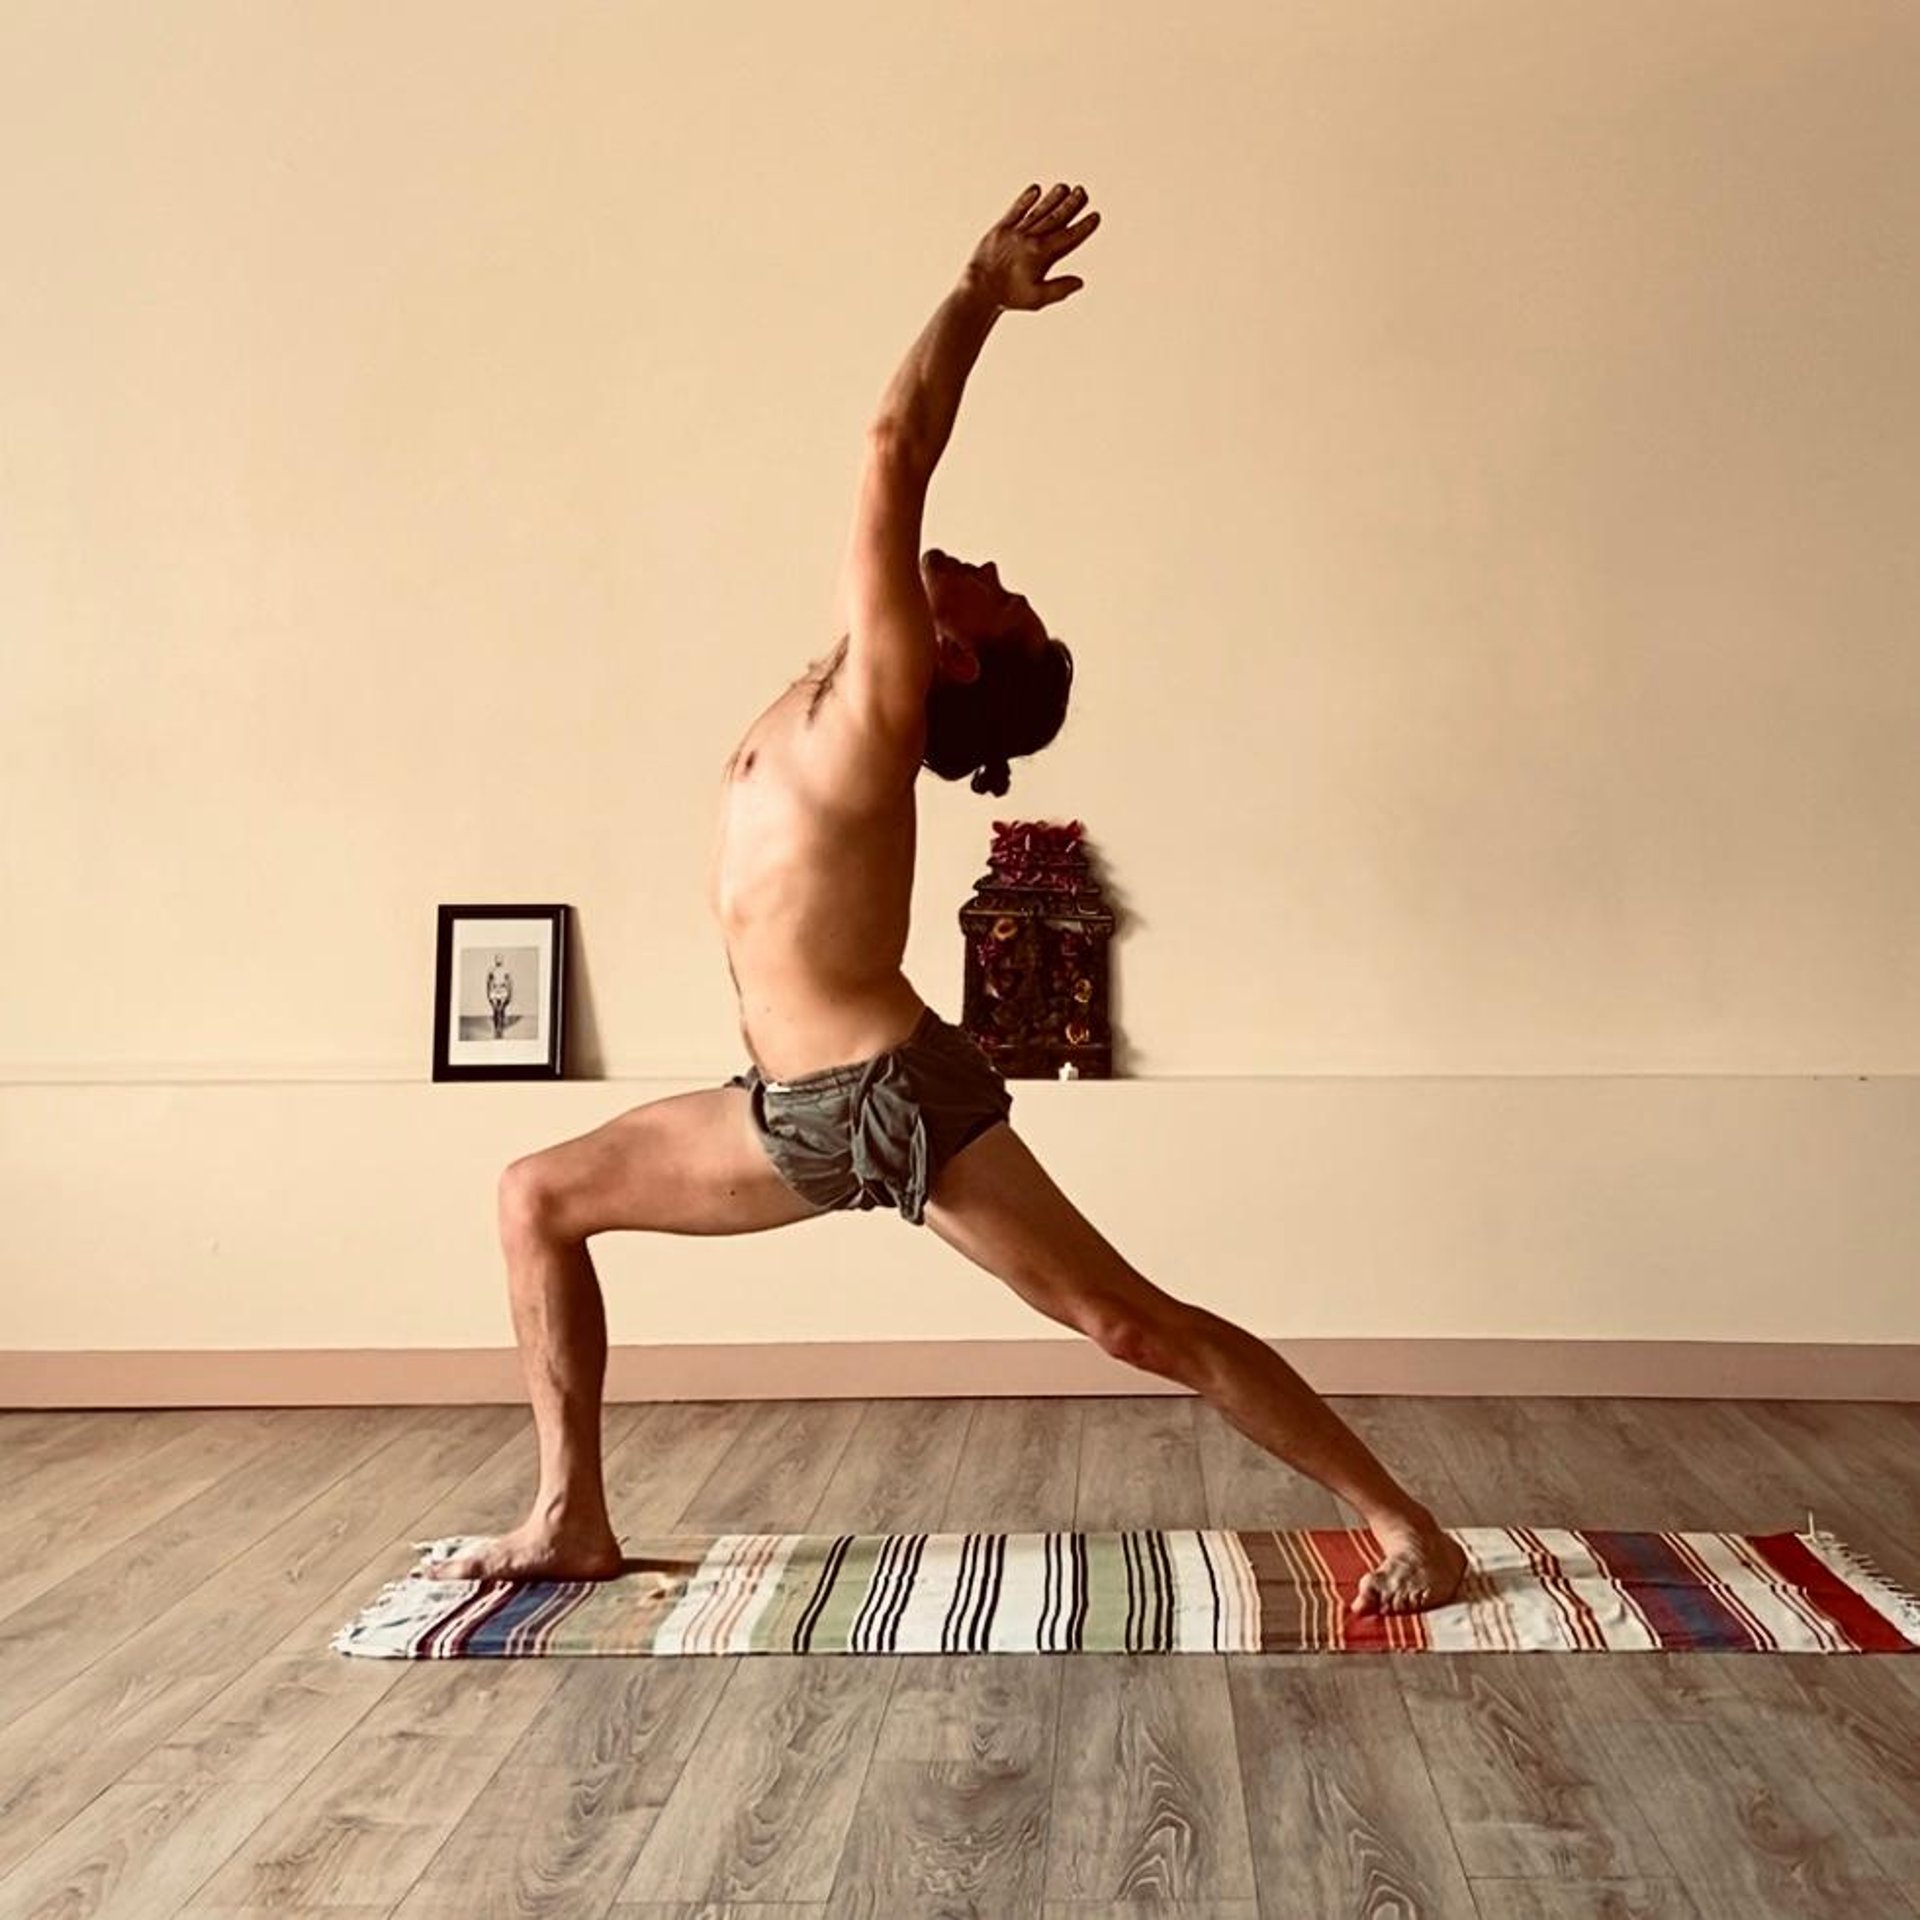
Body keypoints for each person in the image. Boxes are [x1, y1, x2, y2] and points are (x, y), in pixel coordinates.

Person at [427, 184, 1467, 1616]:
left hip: (892, 1091)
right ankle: (571, 1517)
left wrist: (980, 293)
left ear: (957, 662)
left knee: (1124, 1322)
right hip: (788, 1103)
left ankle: (1405, 1520)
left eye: (1002, 600)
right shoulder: (829, 693)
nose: (983, 569)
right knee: (534, 1196)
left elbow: (889, 447)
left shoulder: (879, 699)